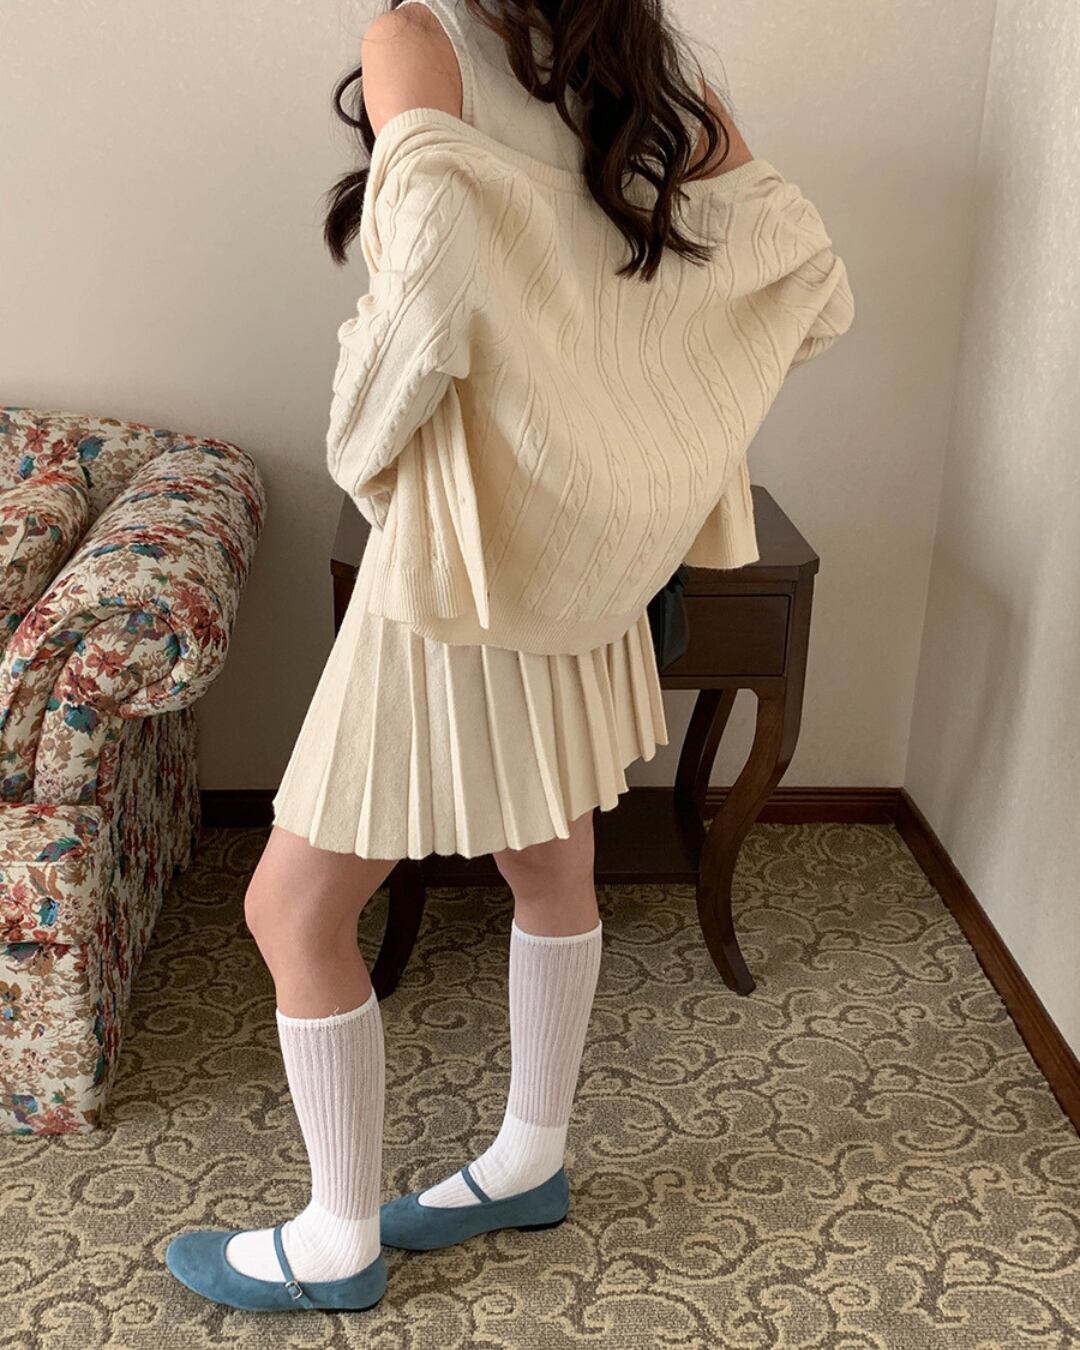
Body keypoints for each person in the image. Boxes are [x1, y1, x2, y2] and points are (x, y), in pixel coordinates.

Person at [166, 0, 854, 1313]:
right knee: (551, 862)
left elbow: (425, 298)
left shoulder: (416, 35)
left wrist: (361, 451)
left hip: (465, 563)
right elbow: (805, 278)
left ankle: (337, 1239)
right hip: (589, 565)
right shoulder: (636, 63)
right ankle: (530, 1160)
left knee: (291, 909)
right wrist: (631, 433)